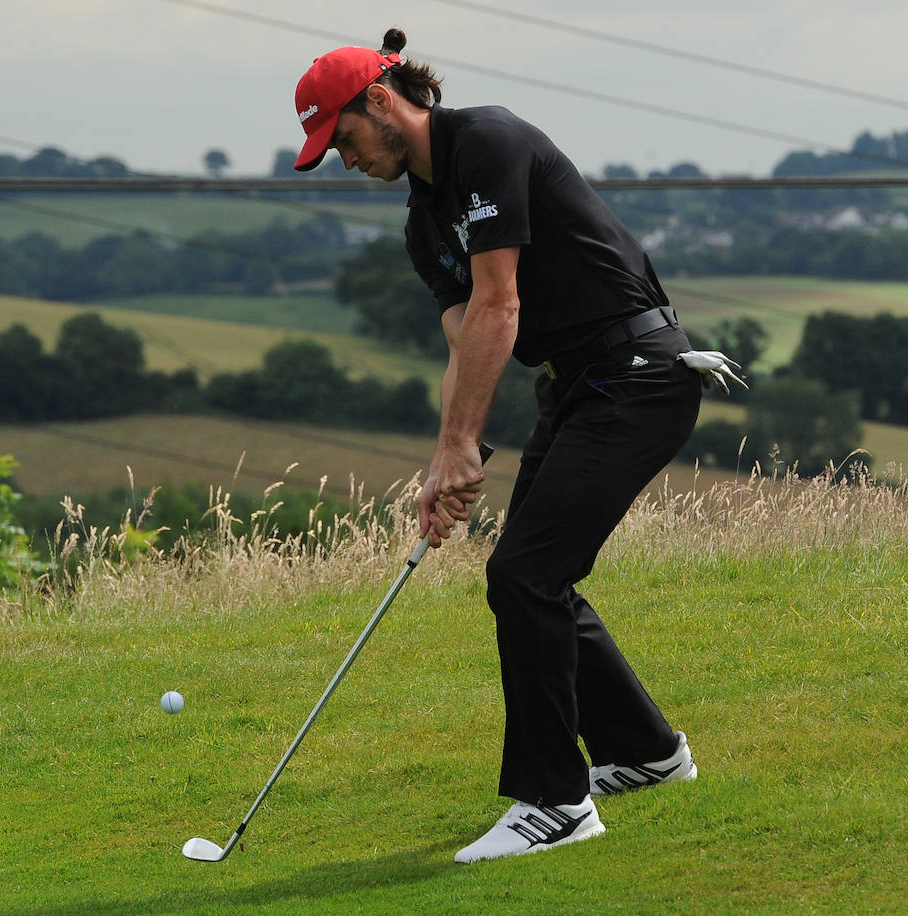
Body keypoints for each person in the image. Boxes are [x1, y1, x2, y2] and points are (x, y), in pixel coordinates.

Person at [291, 28, 743, 864]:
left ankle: (555, 802)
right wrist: (447, 462)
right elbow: (468, 335)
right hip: (580, 385)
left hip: (641, 374)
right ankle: (642, 752)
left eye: (342, 139)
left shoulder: (488, 143)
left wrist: (463, 445)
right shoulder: (425, 224)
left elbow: (502, 305)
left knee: (525, 576)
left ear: (382, 103)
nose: (343, 160)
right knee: (532, 578)